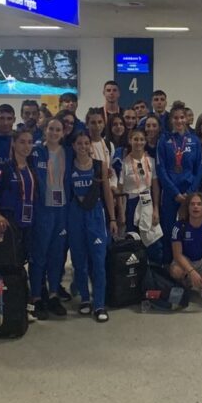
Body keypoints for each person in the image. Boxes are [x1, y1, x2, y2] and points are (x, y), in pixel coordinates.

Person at [0, 128, 42, 320]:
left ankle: (26, 303)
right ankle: (11, 307)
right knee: (12, 265)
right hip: (9, 225)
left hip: (29, 223)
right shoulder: (1, 168)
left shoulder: (32, 168)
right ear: (14, 144)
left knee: (27, 263)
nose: (26, 146)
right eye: (22, 142)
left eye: (30, 142)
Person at [67, 131, 118, 323]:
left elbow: (107, 193)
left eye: (86, 143)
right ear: (73, 146)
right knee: (79, 260)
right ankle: (85, 298)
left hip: (95, 216)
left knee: (98, 260)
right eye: (79, 143)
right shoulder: (68, 166)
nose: (83, 146)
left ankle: (99, 303)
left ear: (90, 145)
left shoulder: (99, 165)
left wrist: (112, 219)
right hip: (75, 216)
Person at [29, 118, 72, 319]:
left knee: (57, 254)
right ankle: (36, 296)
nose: (54, 133)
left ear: (63, 133)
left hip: (61, 209)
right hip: (42, 209)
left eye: (58, 130)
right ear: (44, 130)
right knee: (39, 254)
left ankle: (53, 294)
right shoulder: (36, 151)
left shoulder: (68, 152)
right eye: (51, 129)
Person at [156, 103, 202, 265]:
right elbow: (160, 169)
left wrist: (190, 192)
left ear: (186, 119)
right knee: (169, 229)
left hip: (189, 192)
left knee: (190, 229)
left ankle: (190, 264)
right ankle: (169, 264)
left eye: (182, 117)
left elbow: (199, 168)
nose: (179, 121)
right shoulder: (164, 140)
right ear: (171, 120)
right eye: (175, 118)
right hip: (171, 193)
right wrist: (175, 192)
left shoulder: (194, 140)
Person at [118, 128, 160, 242]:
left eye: (142, 139)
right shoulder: (124, 163)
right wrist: (121, 213)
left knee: (151, 239)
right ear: (130, 140)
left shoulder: (151, 161)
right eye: (136, 139)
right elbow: (119, 189)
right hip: (130, 203)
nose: (139, 142)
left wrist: (156, 209)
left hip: (147, 201)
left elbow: (155, 186)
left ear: (145, 141)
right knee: (132, 238)